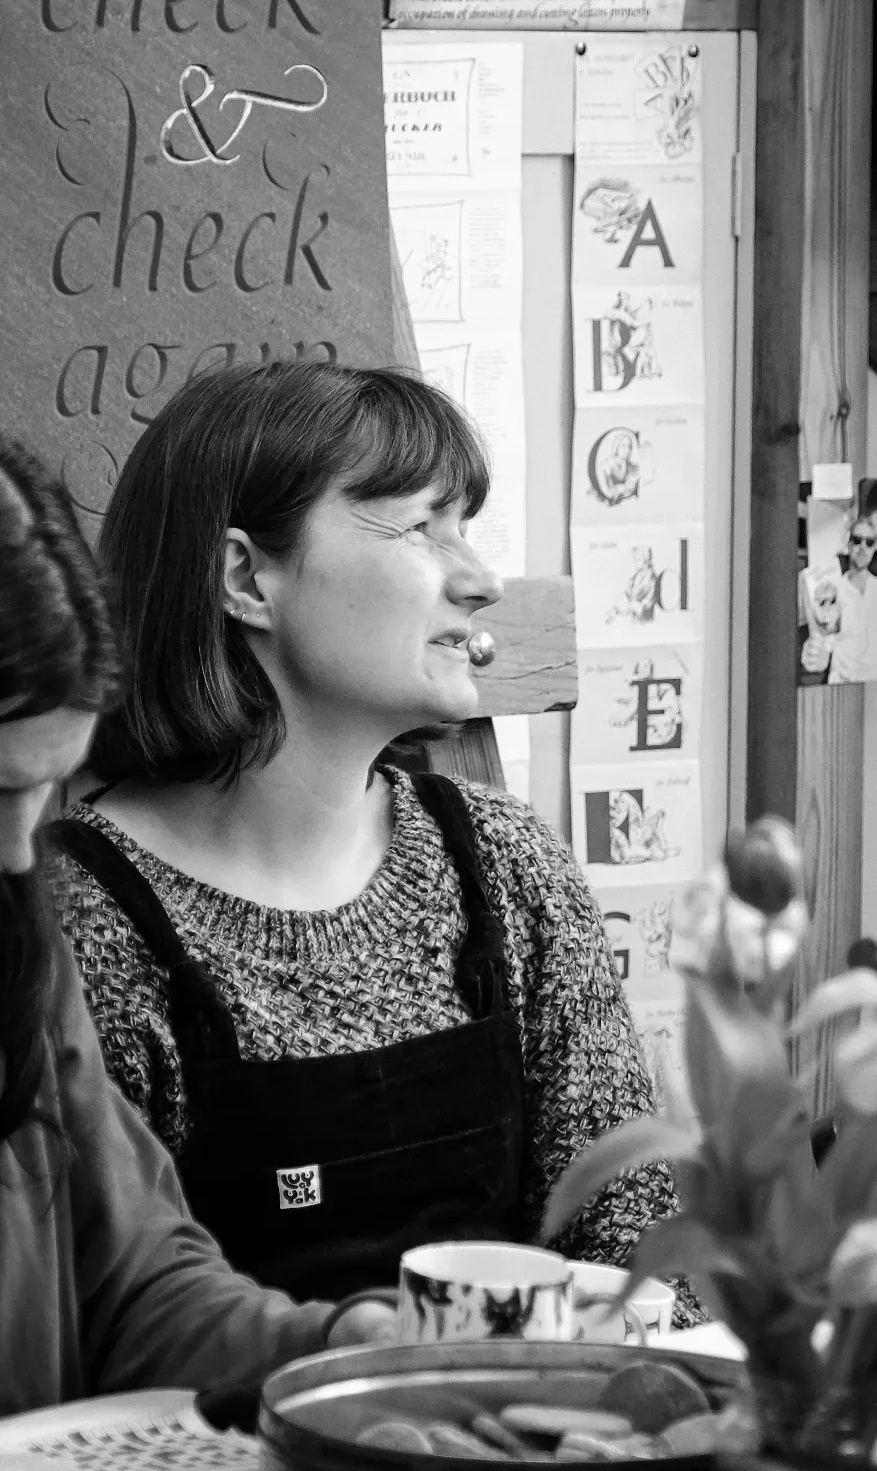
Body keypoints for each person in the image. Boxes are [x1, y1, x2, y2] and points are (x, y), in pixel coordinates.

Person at [45, 363, 674, 1305]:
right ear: (246, 577)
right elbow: (103, 1317)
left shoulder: (503, 863)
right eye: (423, 526)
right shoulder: (81, 918)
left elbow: (630, 1222)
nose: (481, 581)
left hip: (524, 1427)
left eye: (466, 528)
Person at [0, 437, 392, 1416]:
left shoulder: (17, 944)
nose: (17, 853)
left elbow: (131, 1285)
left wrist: (332, 1343)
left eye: (43, 788)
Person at [827, 519, 877, 683]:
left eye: (869, 542)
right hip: (842, 685)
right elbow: (824, 644)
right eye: (857, 540)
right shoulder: (833, 590)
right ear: (848, 544)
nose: (863, 547)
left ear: (874, 548)